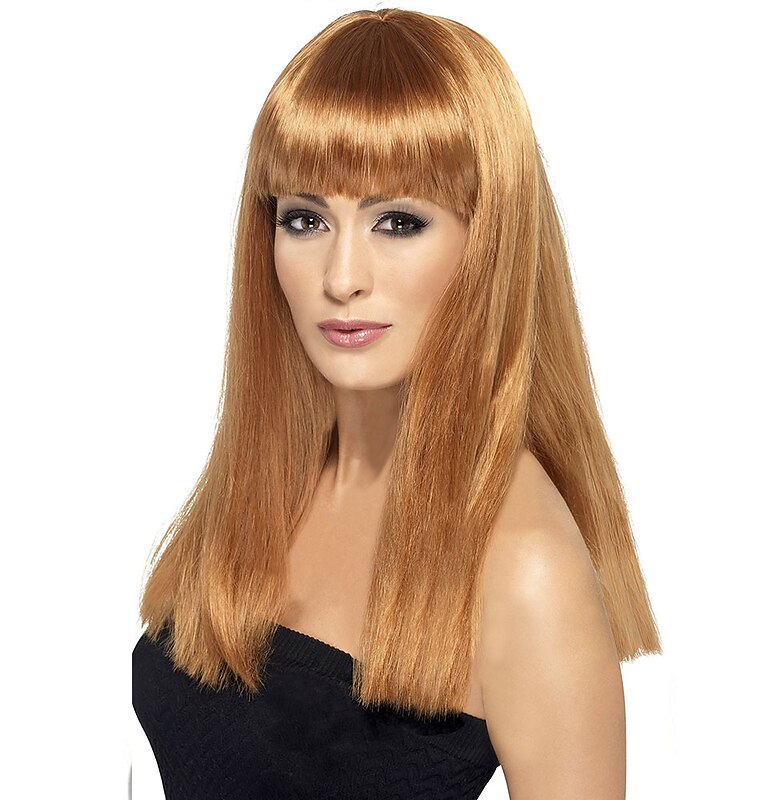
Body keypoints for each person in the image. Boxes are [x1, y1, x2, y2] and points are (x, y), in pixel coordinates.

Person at [132, 8, 661, 799]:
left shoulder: (524, 566)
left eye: (398, 221)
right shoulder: (270, 478)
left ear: (487, 242)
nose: (341, 276)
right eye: (306, 219)